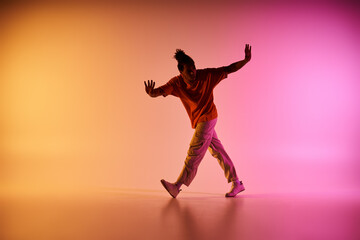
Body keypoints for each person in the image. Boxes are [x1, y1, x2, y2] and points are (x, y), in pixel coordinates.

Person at [144, 44, 252, 198]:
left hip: (208, 117)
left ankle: (177, 186)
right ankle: (237, 183)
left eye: (194, 68)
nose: (193, 72)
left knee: (194, 151)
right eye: (189, 70)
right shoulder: (176, 83)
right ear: (181, 72)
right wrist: (151, 93)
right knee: (218, 152)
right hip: (201, 120)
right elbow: (160, 91)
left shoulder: (206, 75)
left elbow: (228, 68)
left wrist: (245, 60)